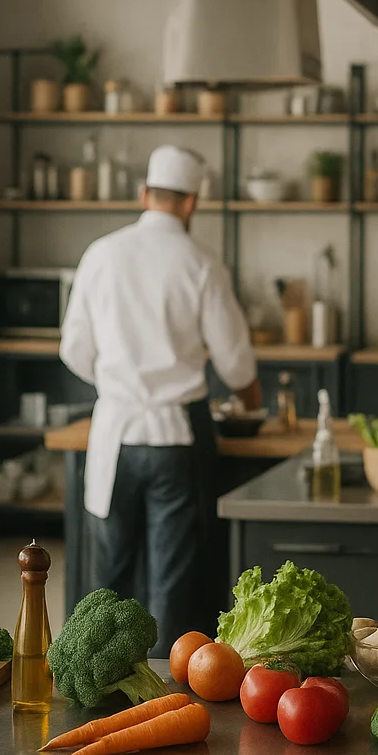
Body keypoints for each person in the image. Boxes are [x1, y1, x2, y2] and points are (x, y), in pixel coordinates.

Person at [60, 145, 259, 654]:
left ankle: (99, 683)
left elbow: (74, 350)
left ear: (145, 194)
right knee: (172, 578)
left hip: (116, 435)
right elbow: (236, 362)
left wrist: (116, 385)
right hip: (176, 437)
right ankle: (165, 694)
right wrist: (251, 398)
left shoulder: (101, 254)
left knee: (109, 576)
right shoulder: (201, 263)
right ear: (192, 203)